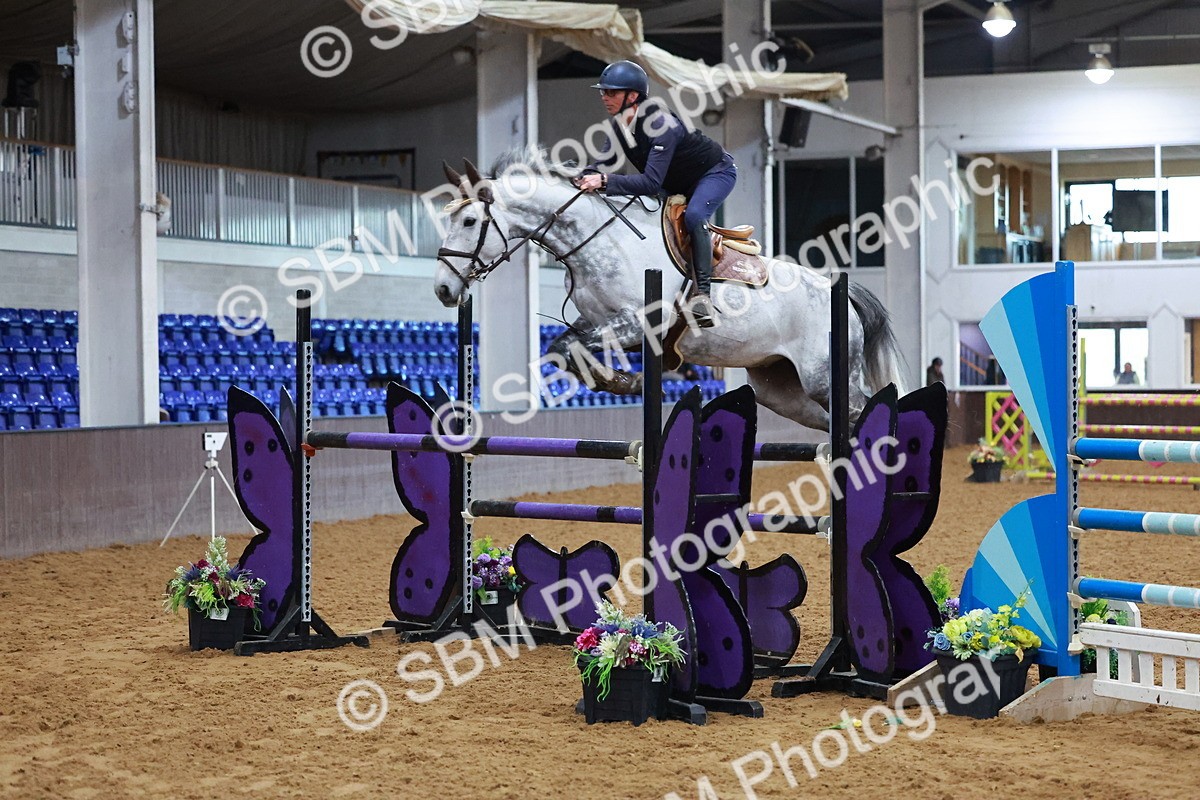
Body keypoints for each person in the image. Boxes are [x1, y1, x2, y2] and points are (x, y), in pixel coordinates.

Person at [574, 60, 738, 329]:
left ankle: (702, 296)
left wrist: (603, 180)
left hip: (714, 174)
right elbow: (602, 163)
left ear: (633, 96)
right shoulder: (619, 124)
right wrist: (581, 176)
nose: (604, 97)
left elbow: (650, 183)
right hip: (674, 180)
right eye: (603, 92)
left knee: (695, 215)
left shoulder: (661, 125)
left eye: (611, 92)